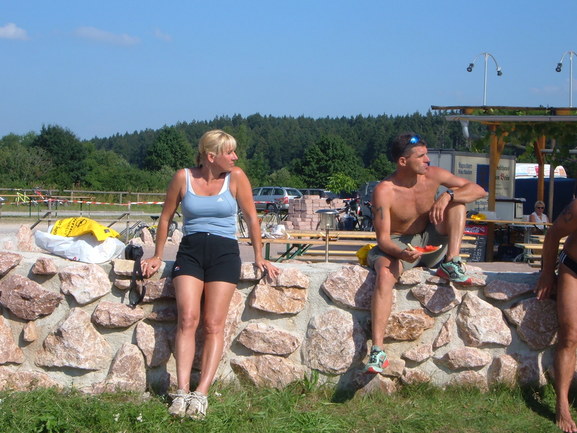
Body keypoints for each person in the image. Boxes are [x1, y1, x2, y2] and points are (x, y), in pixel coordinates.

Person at [141, 129, 279, 419]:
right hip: (190, 252)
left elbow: (252, 218)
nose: (235, 157)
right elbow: (165, 217)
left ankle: (201, 393)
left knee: (214, 324)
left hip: (224, 254)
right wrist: (156, 255)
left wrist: (258, 257)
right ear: (211, 156)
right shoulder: (183, 177)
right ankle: (181, 392)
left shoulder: (236, 177)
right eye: (230, 152)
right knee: (187, 319)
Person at [364, 133, 487, 374]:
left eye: (426, 154)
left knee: (458, 202)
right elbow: (384, 239)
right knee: (385, 274)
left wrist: (448, 195)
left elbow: (479, 190)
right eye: (421, 156)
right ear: (403, 161)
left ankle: (452, 262)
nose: (427, 160)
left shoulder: (433, 175)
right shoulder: (385, 190)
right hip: (399, 244)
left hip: (432, 240)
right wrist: (401, 253)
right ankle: (378, 351)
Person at [536, 200, 577, 433]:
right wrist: (546, 273)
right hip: (573, 268)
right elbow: (553, 235)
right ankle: (562, 404)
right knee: (569, 336)